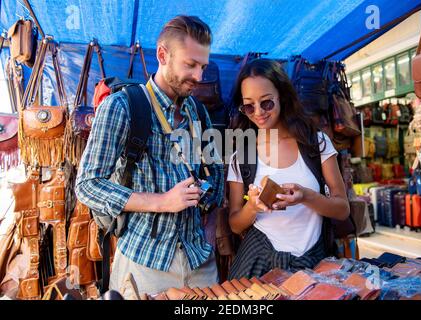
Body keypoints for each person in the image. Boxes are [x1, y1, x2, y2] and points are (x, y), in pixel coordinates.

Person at [75, 15, 224, 295]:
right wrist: (162, 202)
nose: (199, 77)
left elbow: (216, 173)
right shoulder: (122, 106)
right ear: (162, 55)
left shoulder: (198, 112)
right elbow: (87, 185)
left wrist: (210, 230)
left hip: (200, 262)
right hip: (146, 262)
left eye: (203, 66)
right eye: (190, 64)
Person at [226, 59, 349, 279]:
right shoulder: (241, 154)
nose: (258, 113)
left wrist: (306, 196)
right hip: (256, 263)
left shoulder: (316, 143)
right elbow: (235, 224)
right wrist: (252, 207)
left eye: (266, 103)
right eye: (248, 106)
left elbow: (342, 209)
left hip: (313, 261)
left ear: (282, 96)